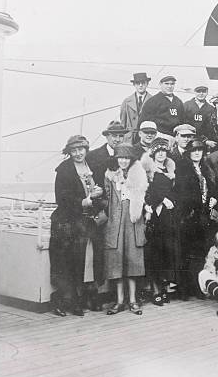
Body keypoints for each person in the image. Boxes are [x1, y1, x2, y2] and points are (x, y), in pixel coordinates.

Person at [49, 135, 104, 317]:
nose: (79, 153)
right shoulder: (64, 170)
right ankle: (65, 301)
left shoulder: (92, 166)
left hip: (87, 221)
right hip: (68, 222)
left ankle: (84, 298)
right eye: (74, 150)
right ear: (69, 152)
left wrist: (99, 192)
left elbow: (98, 189)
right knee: (68, 263)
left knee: (88, 261)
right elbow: (61, 198)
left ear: (86, 149)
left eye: (81, 149)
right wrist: (83, 201)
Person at [103, 143, 149, 315]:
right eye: (120, 157)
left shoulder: (138, 175)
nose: (123, 161)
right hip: (115, 221)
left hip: (133, 220)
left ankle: (133, 300)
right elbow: (106, 198)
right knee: (117, 260)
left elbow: (144, 196)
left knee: (132, 259)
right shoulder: (110, 176)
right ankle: (119, 301)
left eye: (126, 158)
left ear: (131, 159)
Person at [174, 139, 218, 298]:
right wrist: (197, 205)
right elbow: (182, 194)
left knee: (201, 253)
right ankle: (185, 289)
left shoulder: (206, 169)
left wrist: (213, 199)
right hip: (189, 216)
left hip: (205, 217)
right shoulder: (183, 169)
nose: (197, 153)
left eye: (200, 150)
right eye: (194, 151)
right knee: (186, 253)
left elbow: (213, 188)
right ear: (189, 153)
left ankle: (198, 287)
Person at [143, 137, 181, 305]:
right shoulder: (147, 169)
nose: (161, 154)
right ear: (153, 153)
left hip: (168, 215)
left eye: (164, 151)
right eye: (158, 151)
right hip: (154, 214)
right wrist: (161, 199)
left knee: (166, 251)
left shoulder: (170, 169)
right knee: (154, 252)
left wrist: (171, 199)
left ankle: (164, 287)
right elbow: (145, 190)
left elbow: (175, 190)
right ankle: (155, 289)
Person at [86, 120, 127, 188]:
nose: (118, 139)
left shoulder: (129, 156)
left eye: (121, 136)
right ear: (107, 136)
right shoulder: (92, 156)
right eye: (114, 136)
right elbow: (87, 180)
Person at [120, 72, 152, 140]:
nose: (141, 85)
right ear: (134, 84)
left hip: (147, 137)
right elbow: (123, 124)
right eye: (138, 83)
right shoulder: (127, 102)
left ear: (147, 84)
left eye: (143, 83)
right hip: (130, 139)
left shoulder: (153, 101)